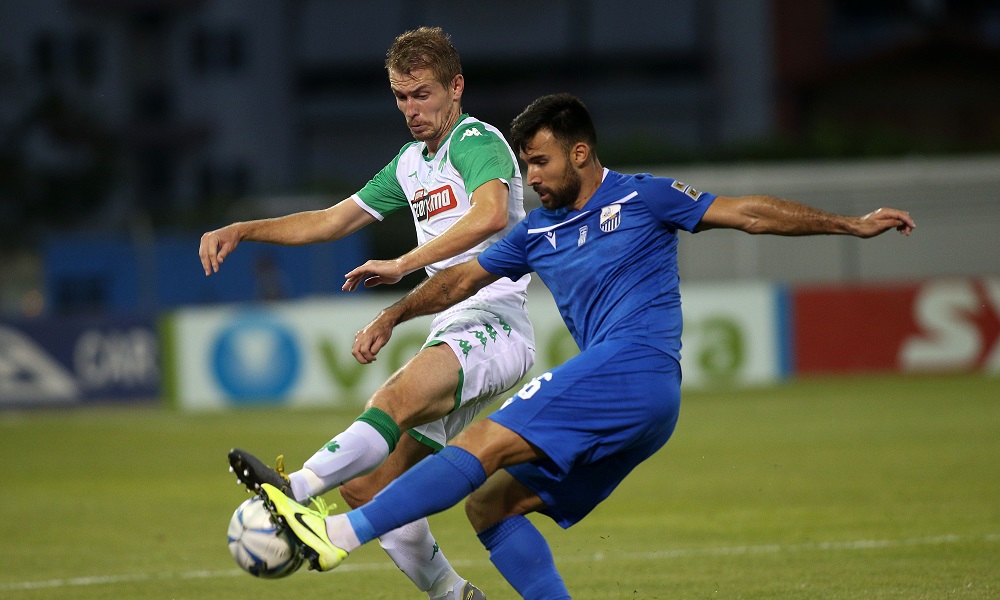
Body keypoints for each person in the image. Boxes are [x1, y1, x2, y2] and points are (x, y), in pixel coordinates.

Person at [254, 92, 916, 599]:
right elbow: (459, 281)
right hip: (638, 407)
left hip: (634, 367)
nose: (530, 178)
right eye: (524, 165)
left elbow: (747, 212)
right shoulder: (535, 232)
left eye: (539, 162)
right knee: (492, 505)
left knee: (481, 443)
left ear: (579, 153)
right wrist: (394, 313)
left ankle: (337, 535)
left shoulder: (645, 196)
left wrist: (849, 226)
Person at [199, 27, 535, 600]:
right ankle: (453, 595)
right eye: (402, 97)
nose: (411, 109)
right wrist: (244, 228)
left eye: (423, 94)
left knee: (393, 399)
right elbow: (332, 220)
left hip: (495, 323)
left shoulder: (477, 141)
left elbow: (491, 216)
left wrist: (403, 264)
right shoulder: (410, 164)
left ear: (456, 87)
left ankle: (294, 489)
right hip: (452, 325)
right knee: (367, 489)